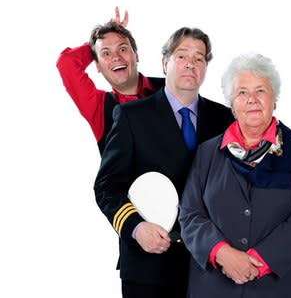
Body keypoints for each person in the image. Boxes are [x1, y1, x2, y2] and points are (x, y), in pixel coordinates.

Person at [94, 27, 234, 298]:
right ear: (165, 62)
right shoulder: (131, 116)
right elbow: (107, 187)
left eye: (199, 58)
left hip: (207, 266)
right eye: (182, 56)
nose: (190, 64)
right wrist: (135, 227)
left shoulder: (224, 119)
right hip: (149, 266)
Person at [179, 53, 291, 298]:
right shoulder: (206, 153)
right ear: (232, 104)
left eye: (261, 91)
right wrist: (222, 254)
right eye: (242, 93)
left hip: (281, 289)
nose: (252, 100)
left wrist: (257, 262)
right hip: (214, 288)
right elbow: (190, 215)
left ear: (274, 99)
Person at [56, 8, 164, 154]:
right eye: (106, 53)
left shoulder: (168, 87)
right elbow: (66, 63)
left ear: (136, 56)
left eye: (123, 49)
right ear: (98, 66)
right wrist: (96, 43)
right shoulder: (99, 108)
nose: (116, 57)